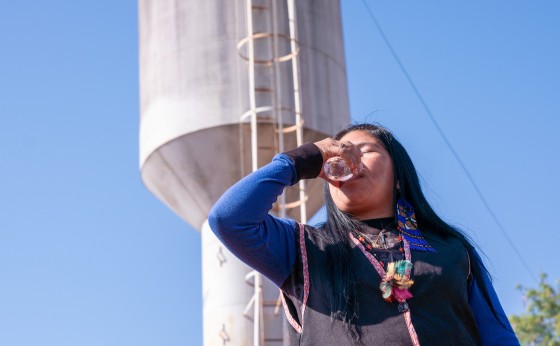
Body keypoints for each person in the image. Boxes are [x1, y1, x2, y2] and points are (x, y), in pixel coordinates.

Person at [208, 123, 519, 345]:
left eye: (364, 151)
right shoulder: (303, 248)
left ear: (399, 176)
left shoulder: (451, 249)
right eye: (339, 156)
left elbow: (498, 336)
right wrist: (303, 160)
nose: (349, 159)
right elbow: (229, 219)